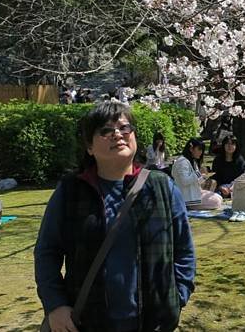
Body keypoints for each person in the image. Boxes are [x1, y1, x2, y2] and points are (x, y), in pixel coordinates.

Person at [34, 101, 195, 332]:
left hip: (153, 321)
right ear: (89, 146)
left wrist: (177, 298)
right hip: (89, 320)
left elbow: (184, 249)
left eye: (124, 128)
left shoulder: (162, 187)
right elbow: (47, 251)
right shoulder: (72, 190)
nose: (117, 134)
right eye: (105, 131)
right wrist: (55, 305)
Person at [172, 138, 223, 210]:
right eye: (199, 149)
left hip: (193, 192)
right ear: (191, 149)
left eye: (202, 150)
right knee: (216, 202)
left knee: (219, 198)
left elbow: (196, 181)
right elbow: (184, 181)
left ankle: (195, 204)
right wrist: (198, 173)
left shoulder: (192, 161)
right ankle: (189, 206)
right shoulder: (182, 162)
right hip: (185, 196)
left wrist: (205, 176)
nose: (201, 152)